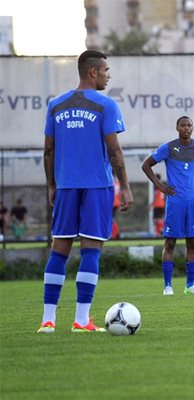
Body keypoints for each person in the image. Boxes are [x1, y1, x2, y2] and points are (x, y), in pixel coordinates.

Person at [37, 50, 133, 334]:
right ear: (93, 72)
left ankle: (47, 320)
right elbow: (114, 150)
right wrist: (125, 185)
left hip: (66, 186)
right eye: (105, 70)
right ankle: (81, 320)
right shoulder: (105, 105)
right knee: (91, 249)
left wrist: (52, 185)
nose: (108, 75)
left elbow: (48, 150)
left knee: (60, 249)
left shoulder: (56, 105)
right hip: (96, 186)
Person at [142, 116, 194, 296]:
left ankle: (190, 285)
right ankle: (168, 286)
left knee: (192, 243)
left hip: (193, 203)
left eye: (189, 125)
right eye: (183, 125)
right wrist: (160, 186)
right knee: (170, 243)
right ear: (177, 128)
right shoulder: (168, 148)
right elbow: (146, 165)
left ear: (193, 128)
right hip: (175, 203)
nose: (186, 128)